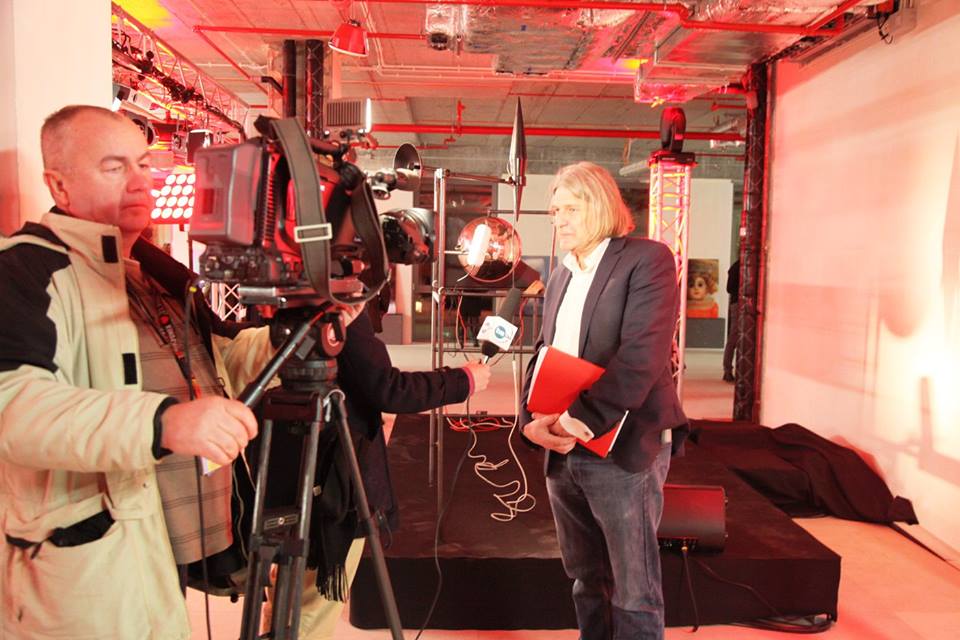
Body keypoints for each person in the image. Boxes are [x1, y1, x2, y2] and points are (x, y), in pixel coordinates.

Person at [0, 105, 268, 638]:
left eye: (144, 164)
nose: (141, 181)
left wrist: (304, 329)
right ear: (59, 185)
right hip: (93, 556)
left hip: (168, 534)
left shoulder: (155, 273)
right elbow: (13, 407)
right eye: (114, 166)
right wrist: (162, 422)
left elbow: (219, 362)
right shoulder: (25, 270)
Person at [520, 162, 688, 640]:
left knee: (634, 589)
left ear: (601, 206)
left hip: (622, 445)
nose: (559, 220)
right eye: (555, 211)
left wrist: (575, 421)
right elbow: (544, 353)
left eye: (571, 209)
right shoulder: (561, 275)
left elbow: (642, 357)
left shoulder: (647, 259)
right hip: (562, 447)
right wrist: (530, 420)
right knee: (586, 579)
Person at [262, 305, 491, 638]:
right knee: (310, 607)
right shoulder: (339, 304)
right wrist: (462, 380)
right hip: (332, 477)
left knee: (287, 588)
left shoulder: (290, 300)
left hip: (285, 460)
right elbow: (387, 389)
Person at [723, 259, 741, 382]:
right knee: (734, 337)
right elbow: (729, 288)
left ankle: (728, 369)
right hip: (738, 303)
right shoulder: (737, 267)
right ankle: (728, 369)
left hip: (737, 303)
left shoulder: (736, 267)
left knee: (735, 337)